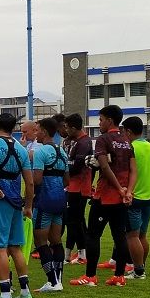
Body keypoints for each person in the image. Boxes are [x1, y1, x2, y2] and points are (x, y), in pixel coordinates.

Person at [70, 105, 135, 288]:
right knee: (119, 236)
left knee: (93, 235)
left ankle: (90, 276)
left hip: (105, 196)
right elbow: (133, 170)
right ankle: (119, 276)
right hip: (121, 197)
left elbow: (105, 167)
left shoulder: (103, 139)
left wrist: (118, 189)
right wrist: (127, 191)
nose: (99, 123)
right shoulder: (126, 140)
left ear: (110, 120)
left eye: (100, 119)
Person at [0, 113, 34, 298]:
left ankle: (5, 295)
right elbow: (29, 182)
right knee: (15, 247)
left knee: (0, 248)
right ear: (14, 127)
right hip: (16, 202)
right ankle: (25, 292)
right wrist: (28, 206)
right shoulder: (22, 149)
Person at [31, 118, 69, 293]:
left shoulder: (41, 152)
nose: (36, 133)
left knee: (40, 241)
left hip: (44, 200)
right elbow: (67, 179)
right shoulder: (62, 151)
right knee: (56, 240)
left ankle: (52, 281)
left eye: (37, 130)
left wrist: (28, 178)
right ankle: (58, 280)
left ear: (44, 132)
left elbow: (37, 180)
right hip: (60, 199)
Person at [122, 116, 150, 280]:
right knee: (142, 236)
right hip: (149, 197)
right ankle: (140, 267)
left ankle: (139, 271)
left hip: (133, 196)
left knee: (132, 236)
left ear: (128, 131)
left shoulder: (130, 148)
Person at [63, 113, 92, 264]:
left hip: (79, 187)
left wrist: (63, 169)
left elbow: (77, 166)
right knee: (74, 221)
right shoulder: (71, 141)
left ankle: (81, 254)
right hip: (72, 186)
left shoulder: (84, 142)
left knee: (75, 221)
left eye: (67, 128)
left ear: (74, 128)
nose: (65, 130)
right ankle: (76, 254)